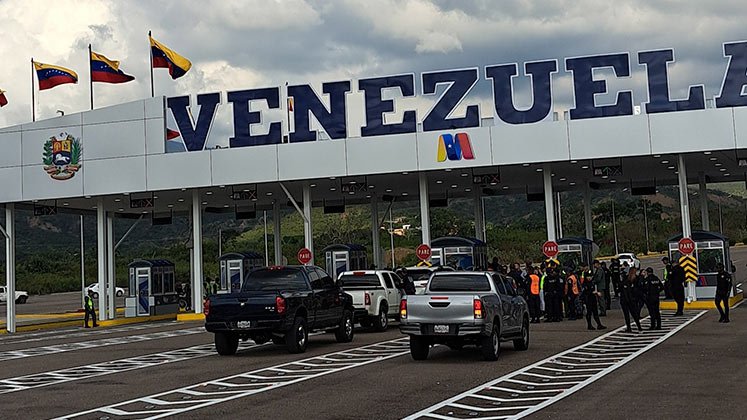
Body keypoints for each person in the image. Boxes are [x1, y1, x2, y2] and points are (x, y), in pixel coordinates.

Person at [581, 263, 606, 331]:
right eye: (588, 277)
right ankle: (589, 325)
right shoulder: (585, 284)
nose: (589, 278)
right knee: (589, 312)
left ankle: (599, 324)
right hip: (588, 299)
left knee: (595, 312)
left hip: (593, 299)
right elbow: (585, 292)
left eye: (591, 276)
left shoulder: (592, 283)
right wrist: (594, 292)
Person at [618, 266, 642, 333]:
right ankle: (639, 327)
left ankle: (629, 328)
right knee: (634, 314)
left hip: (625, 299)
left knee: (627, 315)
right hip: (632, 299)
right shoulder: (636, 279)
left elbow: (620, 288)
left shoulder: (626, 279)